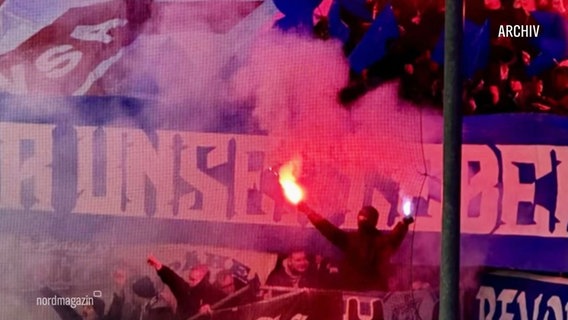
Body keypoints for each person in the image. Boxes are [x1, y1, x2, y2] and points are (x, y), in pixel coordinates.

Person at [297, 202, 413, 292]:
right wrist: (403, 223)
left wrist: (308, 211)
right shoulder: (382, 241)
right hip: (374, 292)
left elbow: (327, 228)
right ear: (375, 221)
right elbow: (395, 237)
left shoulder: (349, 239)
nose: (362, 219)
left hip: (352, 291)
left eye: (363, 217)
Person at [147, 256, 224, 320]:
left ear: (204, 279)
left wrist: (213, 312)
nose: (190, 282)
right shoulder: (186, 291)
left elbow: (230, 311)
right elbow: (173, 280)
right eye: (189, 278)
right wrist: (160, 267)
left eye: (193, 279)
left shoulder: (216, 295)